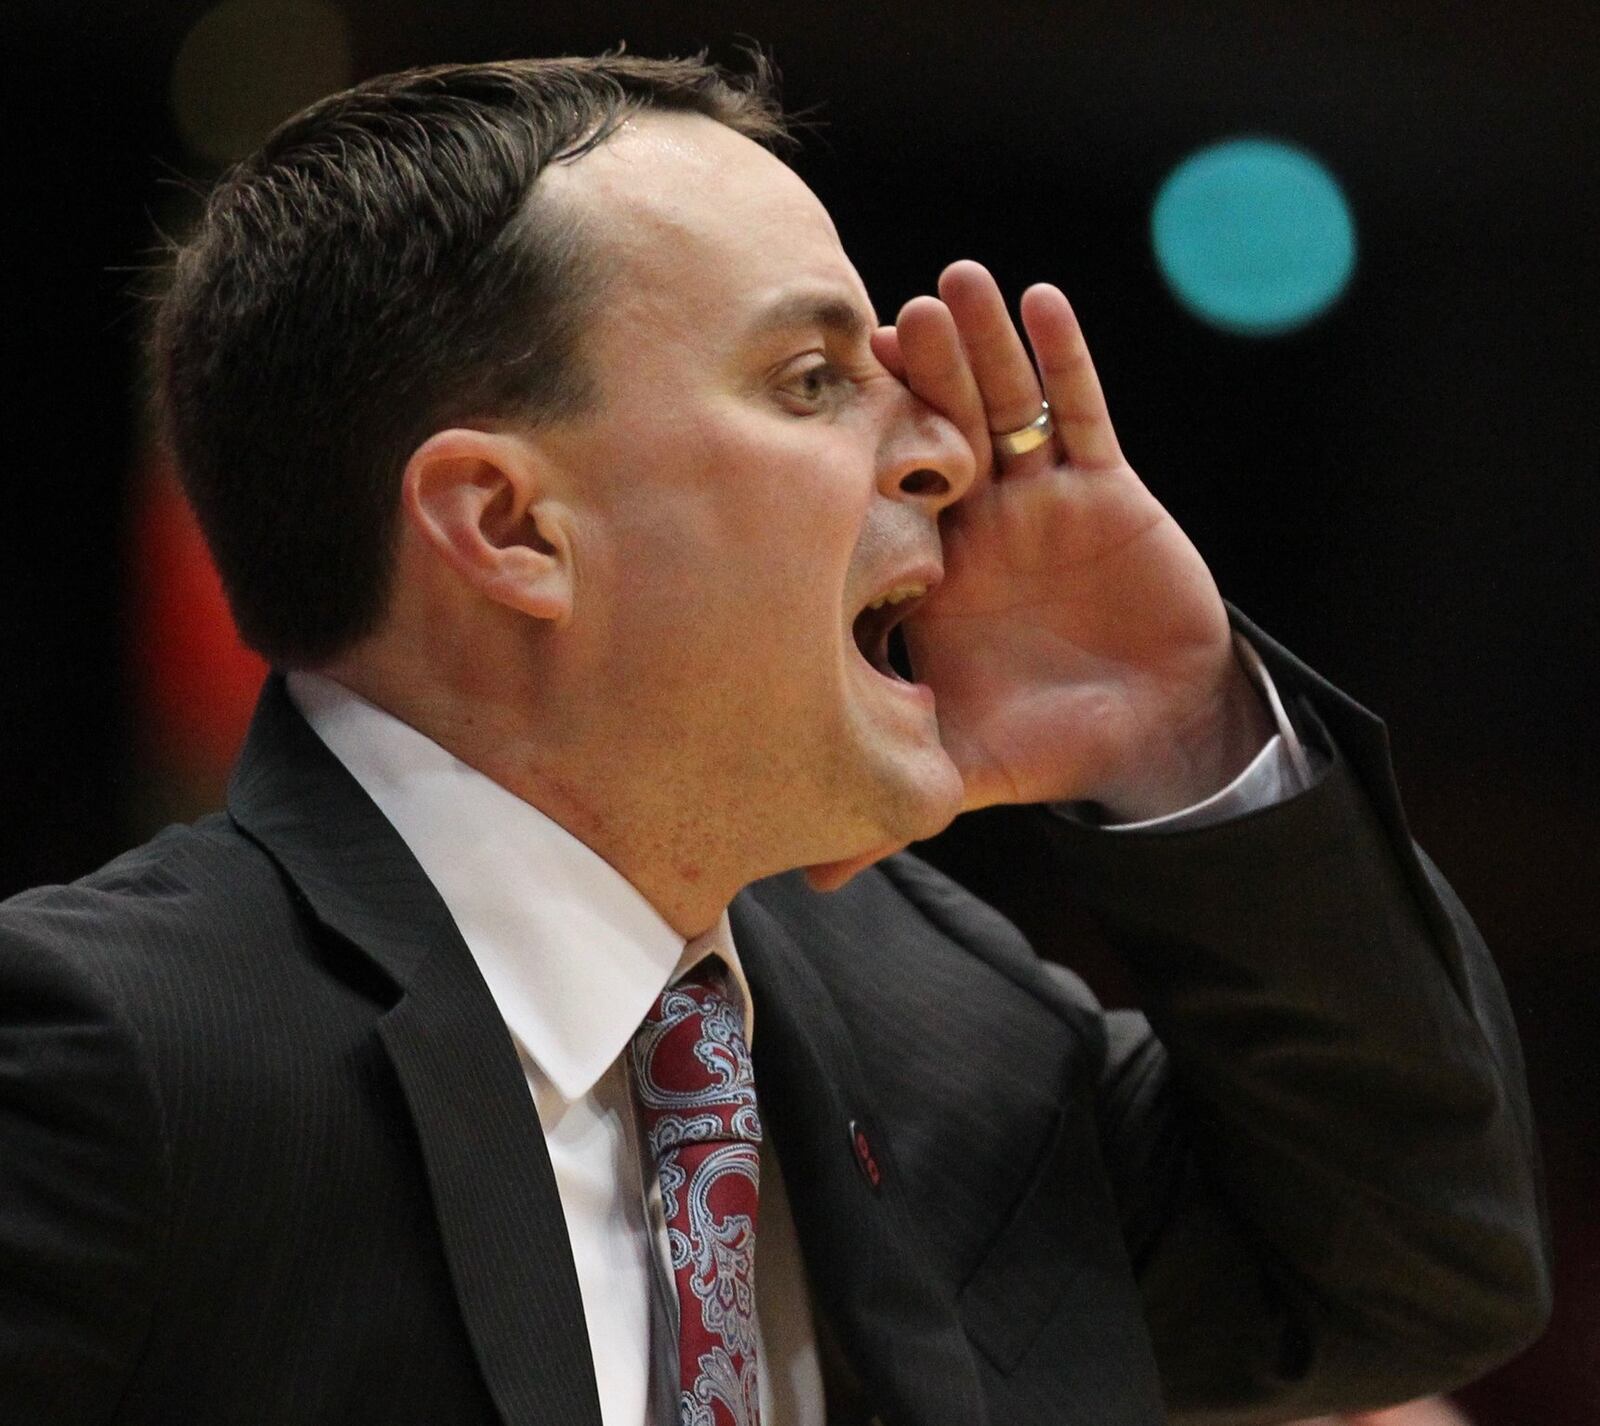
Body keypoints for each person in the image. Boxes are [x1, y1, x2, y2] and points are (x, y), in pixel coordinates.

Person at [0, 53, 1550, 1426]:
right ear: (508, 525)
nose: (950, 448)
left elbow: (1413, 1282)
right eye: (813, 381)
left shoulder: (942, 1019)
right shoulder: (106, 1056)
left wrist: (1179, 731)